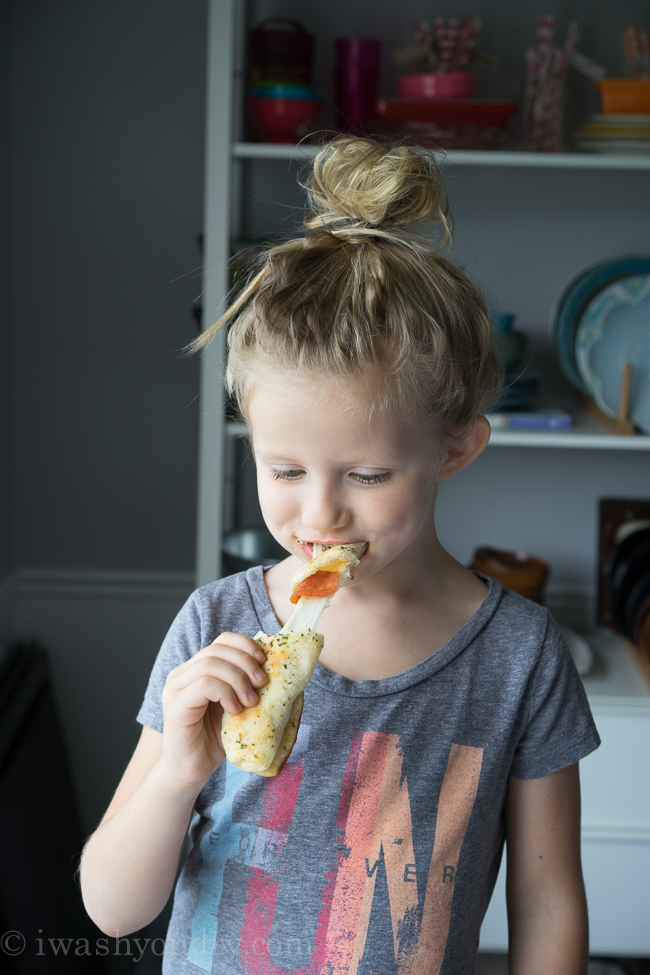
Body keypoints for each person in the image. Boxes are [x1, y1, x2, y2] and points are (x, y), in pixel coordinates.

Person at [80, 137, 600, 974]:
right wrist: (179, 773)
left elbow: (548, 900)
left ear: (457, 448)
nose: (318, 511)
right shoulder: (215, 623)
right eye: (284, 469)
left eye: (366, 473)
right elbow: (110, 909)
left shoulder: (519, 656)